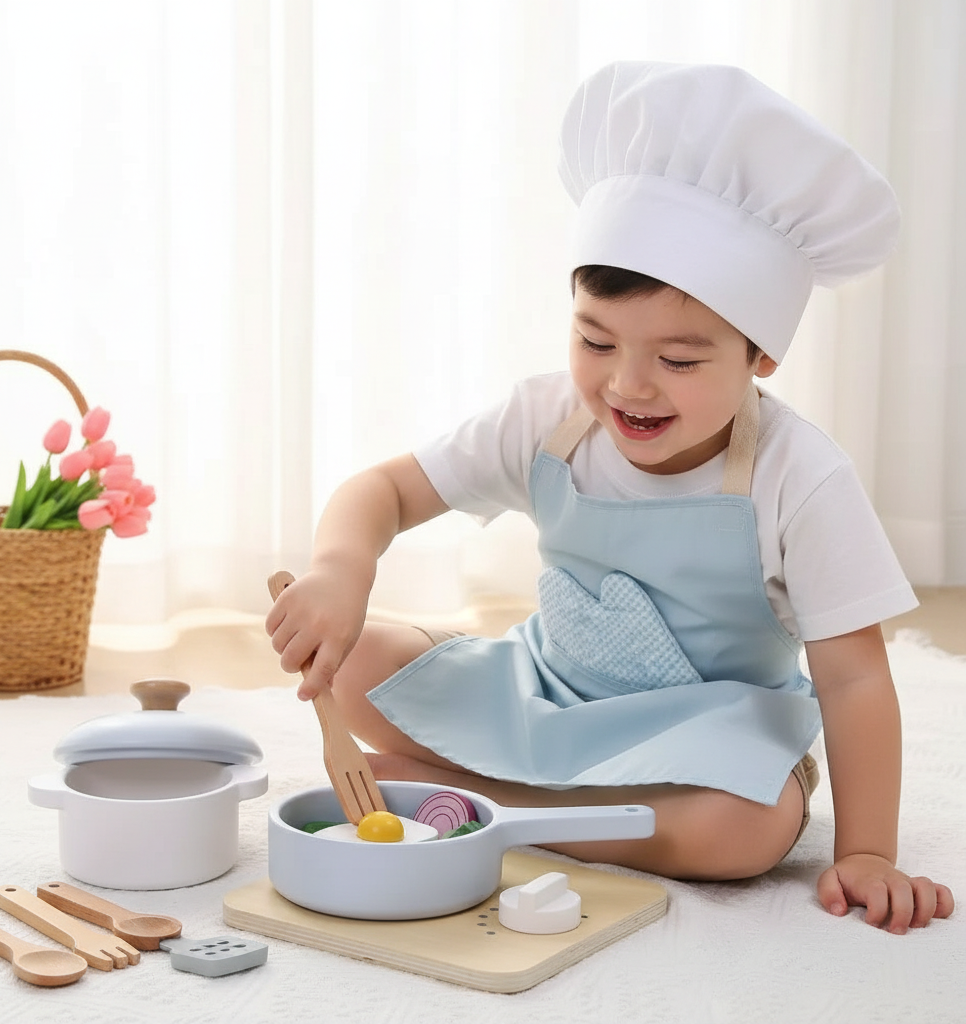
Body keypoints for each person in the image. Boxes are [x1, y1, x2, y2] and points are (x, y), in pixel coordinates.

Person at [266, 61, 954, 932]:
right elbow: (386, 489)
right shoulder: (546, 417)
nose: (629, 385)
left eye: (679, 360)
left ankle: (487, 803)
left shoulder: (801, 477)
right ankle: (529, 796)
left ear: (762, 354)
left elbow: (853, 678)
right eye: (596, 342)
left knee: (749, 828)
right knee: (354, 656)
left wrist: (868, 852)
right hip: (544, 688)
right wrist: (340, 571)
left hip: (702, 734)